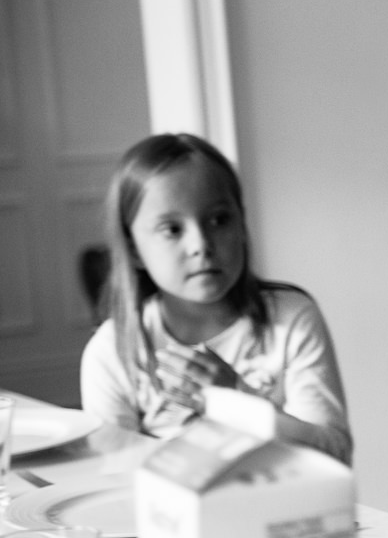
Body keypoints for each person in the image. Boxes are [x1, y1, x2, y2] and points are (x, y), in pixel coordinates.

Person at [81, 133, 353, 465]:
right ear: (135, 249)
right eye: (172, 229)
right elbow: (116, 482)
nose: (201, 244)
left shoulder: (291, 320)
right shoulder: (112, 351)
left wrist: (237, 402)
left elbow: (334, 455)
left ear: (242, 222)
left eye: (219, 220)